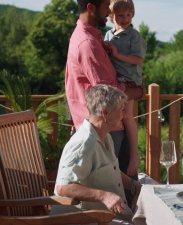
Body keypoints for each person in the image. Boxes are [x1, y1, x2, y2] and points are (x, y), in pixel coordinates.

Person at [64, 0, 144, 203]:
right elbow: (107, 93)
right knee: (119, 189)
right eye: (106, 6)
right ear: (91, 8)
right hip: (105, 125)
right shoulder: (87, 43)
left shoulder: (93, 36)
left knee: (127, 184)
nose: (110, 11)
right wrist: (137, 92)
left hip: (111, 123)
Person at [53, 85, 141, 222]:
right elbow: (64, 187)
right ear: (105, 113)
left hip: (106, 218)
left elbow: (112, 172)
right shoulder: (83, 144)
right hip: (84, 220)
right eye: (121, 110)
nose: (124, 115)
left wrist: (135, 186)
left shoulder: (106, 137)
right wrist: (104, 196)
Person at [103, 0, 146, 184]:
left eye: (128, 15)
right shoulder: (107, 35)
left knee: (127, 116)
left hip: (128, 81)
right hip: (114, 81)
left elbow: (138, 59)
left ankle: (134, 154)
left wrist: (118, 54)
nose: (125, 19)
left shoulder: (133, 35)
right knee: (117, 116)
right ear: (111, 16)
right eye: (120, 15)